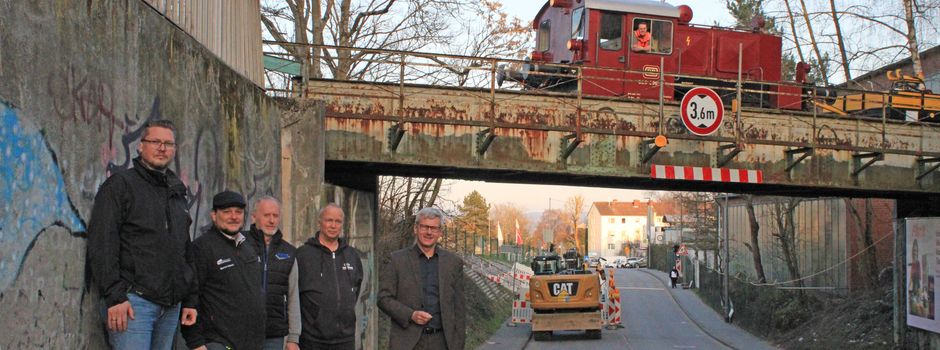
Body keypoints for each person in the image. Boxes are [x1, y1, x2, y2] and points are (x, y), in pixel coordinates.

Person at [87, 119, 197, 350]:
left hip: (170, 306)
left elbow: (184, 249)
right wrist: (115, 296)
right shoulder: (121, 185)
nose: (162, 148)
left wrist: (189, 299)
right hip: (134, 304)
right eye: (155, 141)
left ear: (174, 150)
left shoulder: (176, 192)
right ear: (140, 146)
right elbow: (103, 242)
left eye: (168, 143)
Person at [183, 191, 266, 350]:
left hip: (252, 343)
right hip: (218, 343)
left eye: (238, 212)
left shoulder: (248, 247)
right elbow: (190, 297)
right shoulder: (201, 248)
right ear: (214, 215)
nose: (234, 217)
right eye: (227, 212)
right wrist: (196, 343)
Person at [378, 207, 466, 350]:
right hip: (407, 343)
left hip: (443, 343)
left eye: (434, 228)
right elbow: (383, 298)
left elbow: (459, 310)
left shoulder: (453, 263)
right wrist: (410, 315)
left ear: (440, 232)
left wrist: (458, 345)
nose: (429, 232)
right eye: (424, 227)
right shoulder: (397, 260)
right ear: (415, 228)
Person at [289, 203, 363, 350]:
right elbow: (292, 295)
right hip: (312, 339)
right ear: (319, 222)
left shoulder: (352, 255)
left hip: (345, 339)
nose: (333, 225)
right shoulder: (302, 255)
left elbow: (356, 290)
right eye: (329, 220)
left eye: (338, 221)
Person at [247, 196, 298, 350]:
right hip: (241, 332)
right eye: (266, 215)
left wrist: (293, 337)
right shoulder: (240, 244)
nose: (271, 220)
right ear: (254, 217)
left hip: (274, 334)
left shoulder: (289, 252)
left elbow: (293, 296)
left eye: (275, 216)